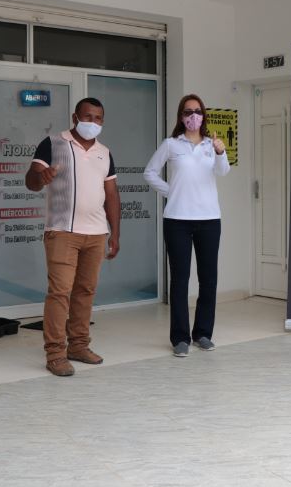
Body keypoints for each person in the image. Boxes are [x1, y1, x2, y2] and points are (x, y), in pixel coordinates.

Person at [25, 97, 121, 377]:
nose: (93, 122)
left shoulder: (105, 152)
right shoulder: (53, 143)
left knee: (86, 291)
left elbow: (112, 194)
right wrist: (41, 177)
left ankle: (78, 345)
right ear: (75, 116)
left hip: (96, 233)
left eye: (98, 118)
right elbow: (31, 180)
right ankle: (55, 353)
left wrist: (115, 233)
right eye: (88, 116)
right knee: (60, 293)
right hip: (62, 231)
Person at [144, 94, 230, 357]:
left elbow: (223, 171)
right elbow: (149, 172)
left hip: (209, 219)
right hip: (177, 219)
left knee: (209, 280)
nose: (193, 116)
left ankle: (203, 333)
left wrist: (220, 151)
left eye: (197, 111)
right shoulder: (171, 144)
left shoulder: (211, 144)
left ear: (203, 115)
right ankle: (180, 338)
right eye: (187, 112)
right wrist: (173, 191)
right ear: (181, 117)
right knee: (180, 280)